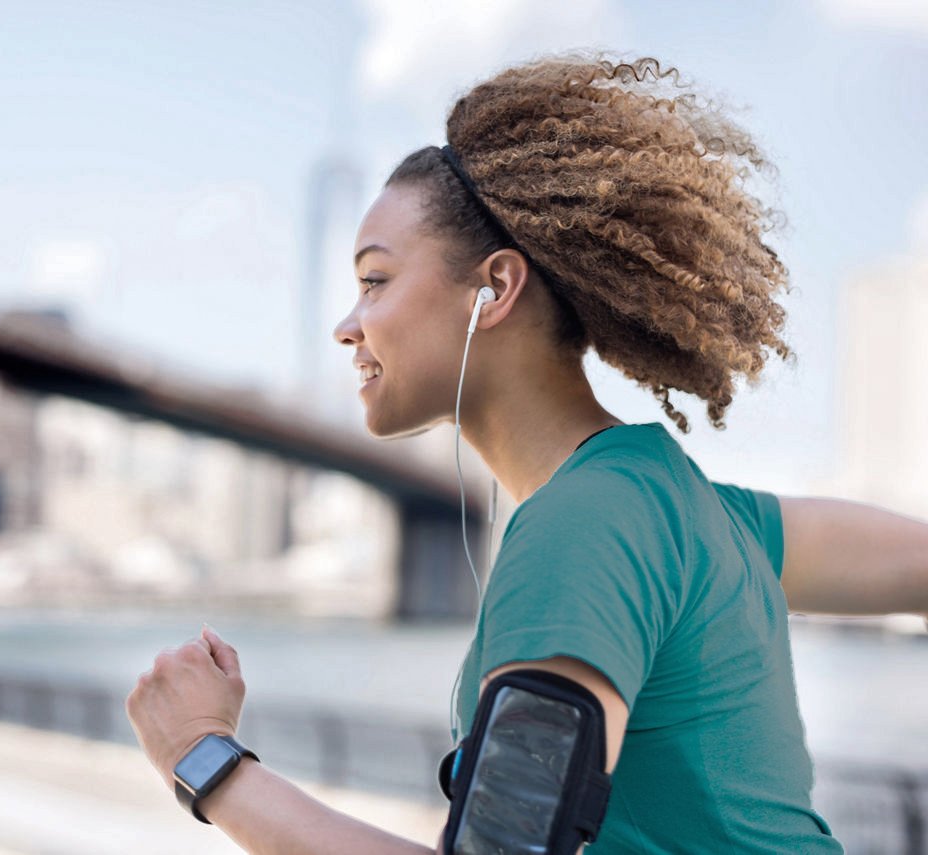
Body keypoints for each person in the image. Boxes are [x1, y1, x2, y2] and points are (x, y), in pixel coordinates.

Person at [125, 50, 928, 853]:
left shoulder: (587, 524)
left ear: (495, 289)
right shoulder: (697, 514)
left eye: (375, 280)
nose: (347, 324)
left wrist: (209, 759)